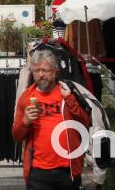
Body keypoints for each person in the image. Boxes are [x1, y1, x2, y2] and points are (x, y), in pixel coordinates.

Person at [12, 50, 91, 190]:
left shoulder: (67, 92)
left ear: (55, 71)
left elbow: (85, 122)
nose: (40, 75)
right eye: (36, 71)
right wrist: (25, 121)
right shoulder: (26, 98)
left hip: (68, 170)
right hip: (38, 172)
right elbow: (16, 135)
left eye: (45, 70)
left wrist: (70, 100)